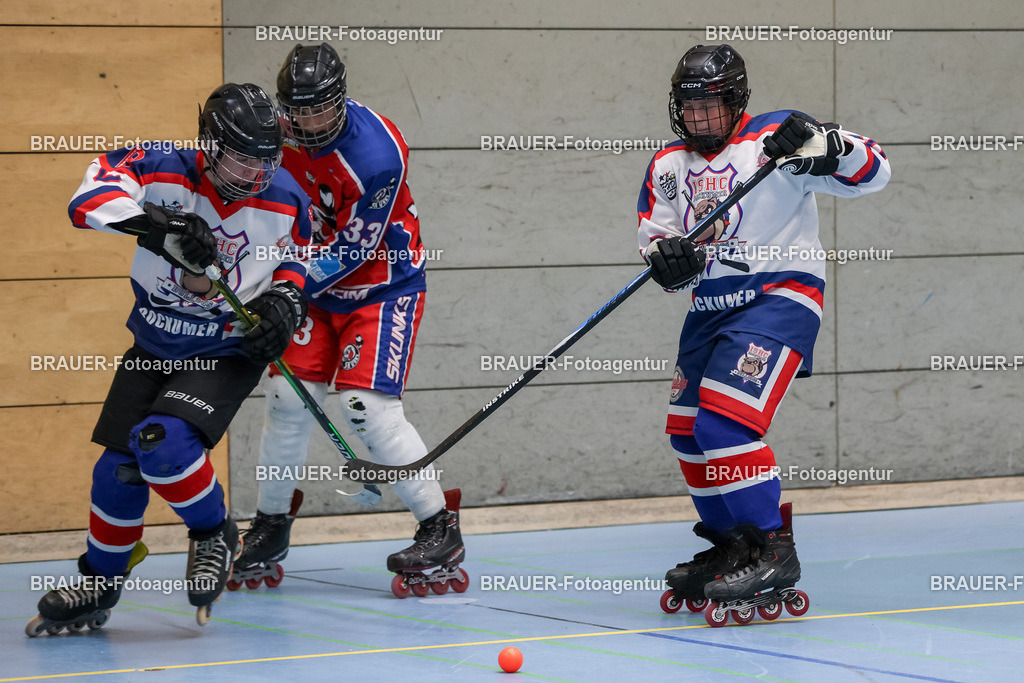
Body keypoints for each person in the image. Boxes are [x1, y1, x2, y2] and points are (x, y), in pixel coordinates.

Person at [27, 82, 312, 636]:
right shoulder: (160, 165)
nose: (254, 176)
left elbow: (298, 265)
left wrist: (287, 305)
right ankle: (101, 581)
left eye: (265, 161)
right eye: (238, 160)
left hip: (226, 348)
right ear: (208, 143)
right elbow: (84, 202)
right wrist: (158, 226)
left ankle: (213, 533)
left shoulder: (285, 195)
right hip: (154, 342)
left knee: (164, 444)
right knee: (117, 473)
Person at [640, 44, 890, 624]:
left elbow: (874, 172)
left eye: (712, 106)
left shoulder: (780, 135)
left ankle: (774, 549)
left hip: (779, 297)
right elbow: (656, 240)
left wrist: (825, 149)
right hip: (711, 309)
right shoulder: (667, 165)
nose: (701, 118)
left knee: (724, 422)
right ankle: (734, 546)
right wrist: (667, 261)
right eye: (690, 107)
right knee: (686, 432)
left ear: (737, 101)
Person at [234, 43, 465, 597]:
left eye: (319, 111)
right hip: (313, 287)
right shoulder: (275, 136)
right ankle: (271, 524)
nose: (307, 124)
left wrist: (284, 291)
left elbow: (354, 250)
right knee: (287, 401)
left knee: (368, 409)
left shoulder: (378, 153)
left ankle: (439, 527)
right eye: (297, 112)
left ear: (340, 101)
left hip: (382, 286)